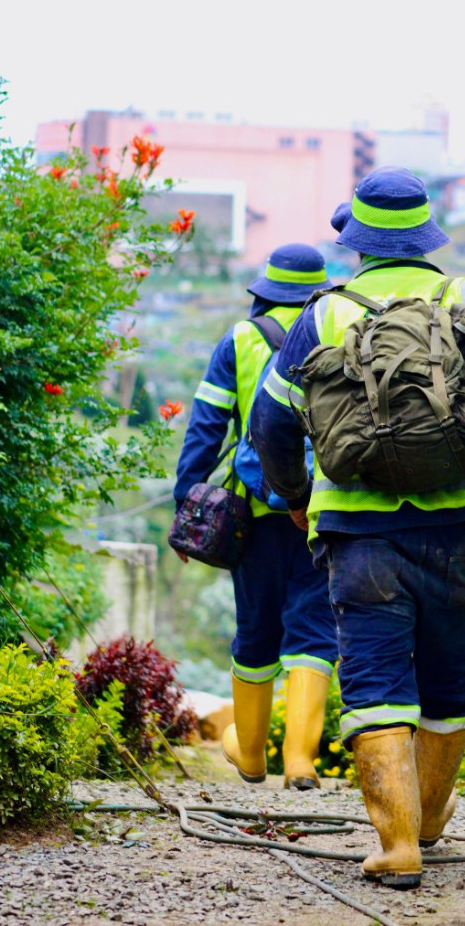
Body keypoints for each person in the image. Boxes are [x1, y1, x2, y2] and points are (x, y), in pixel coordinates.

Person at [250, 168, 465, 887]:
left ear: (359, 242)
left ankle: (397, 843)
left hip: (361, 535)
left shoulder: (323, 315)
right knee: (448, 681)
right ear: (428, 233)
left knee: (375, 680)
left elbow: (271, 424)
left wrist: (293, 496)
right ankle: (430, 819)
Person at [173, 243, 338, 790]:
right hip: (325, 511)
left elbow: (207, 426)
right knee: (314, 632)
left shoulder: (241, 339)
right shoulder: (337, 331)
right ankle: (300, 761)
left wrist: (186, 501)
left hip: (258, 511)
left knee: (256, 629)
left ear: (264, 292)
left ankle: (249, 755)